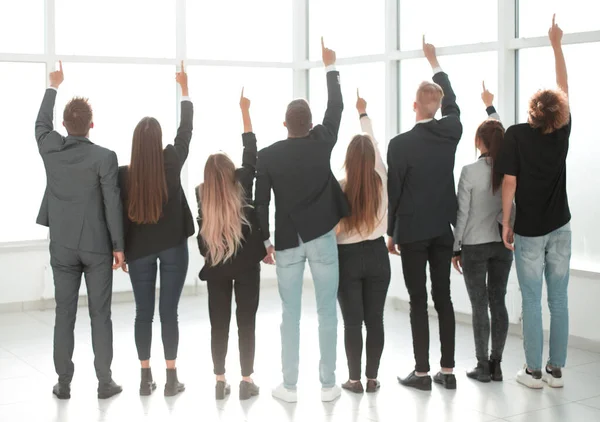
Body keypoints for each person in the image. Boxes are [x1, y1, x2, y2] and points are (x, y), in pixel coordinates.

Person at [255, 38, 349, 403]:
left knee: (289, 314)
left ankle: (290, 386)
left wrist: (265, 242)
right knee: (328, 310)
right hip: (323, 238)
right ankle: (328, 385)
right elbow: (336, 107)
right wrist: (330, 66)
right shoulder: (321, 141)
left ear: (284, 124)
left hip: (288, 242)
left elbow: (261, 202)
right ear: (309, 124)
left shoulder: (268, 156)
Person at [35, 61, 124, 400]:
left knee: (64, 314)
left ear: (64, 125)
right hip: (98, 248)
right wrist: (119, 246)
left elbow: (40, 124)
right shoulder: (104, 157)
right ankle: (105, 382)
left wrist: (53, 85)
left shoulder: (51, 149)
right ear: (91, 125)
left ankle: (64, 383)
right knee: (101, 315)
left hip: (62, 247)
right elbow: (112, 204)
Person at [496, 15, 571, 390]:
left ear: (531, 111)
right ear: (558, 112)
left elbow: (509, 182)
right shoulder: (562, 130)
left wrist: (506, 221)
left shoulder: (516, 134)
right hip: (560, 225)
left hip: (528, 228)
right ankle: (557, 370)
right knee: (559, 299)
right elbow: (565, 87)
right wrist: (556, 45)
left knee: (530, 299)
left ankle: (533, 372)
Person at [388, 36, 462, 391]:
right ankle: (447, 372)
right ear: (439, 105)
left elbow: (395, 191)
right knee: (443, 298)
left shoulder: (400, 145)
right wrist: (435, 64)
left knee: (419, 299)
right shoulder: (451, 131)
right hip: (443, 229)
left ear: (414, 106)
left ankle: (421, 373)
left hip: (413, 231)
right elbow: (455, 108)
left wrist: (391, 231)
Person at [117, 62, 194, 397]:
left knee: (143, 314)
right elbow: (186, 130)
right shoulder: (172, 161)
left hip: (140, 252)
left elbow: (117, 216)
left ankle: (145, 378)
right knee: (169, 313)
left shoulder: (125, 174)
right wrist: (185, 90)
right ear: (160, 141)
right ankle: (172, 378)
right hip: (173, 247)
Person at [195, 90, 266, 401]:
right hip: (247, 266)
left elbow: (201, 238)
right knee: (246, 322)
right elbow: (251, 152)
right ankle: (246, 381)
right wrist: (245, 112)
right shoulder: (241, 184)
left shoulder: (202, 194)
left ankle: (220, 381)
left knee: (218, 324)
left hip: (217, 268)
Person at [451, 83, 514, 383]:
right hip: (503, 244)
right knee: (497, 301)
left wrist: (455, 248)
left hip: (474, 246)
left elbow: (462, 214)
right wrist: (490, 107)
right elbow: (499, 133)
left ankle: (482, 366)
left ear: (478, 142)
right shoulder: (509, 167)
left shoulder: (469, 172)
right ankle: (497, 363)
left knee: (479, 306)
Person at [336, 91, 390, 394]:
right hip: (378, 255)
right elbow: (375, 144)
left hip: (348, 258)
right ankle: (372, 378)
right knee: (376, 320)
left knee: (353, 323)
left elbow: (334, 227)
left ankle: (354, 380)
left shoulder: (341, 186)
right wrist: (363, 114)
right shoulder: (381, 179)